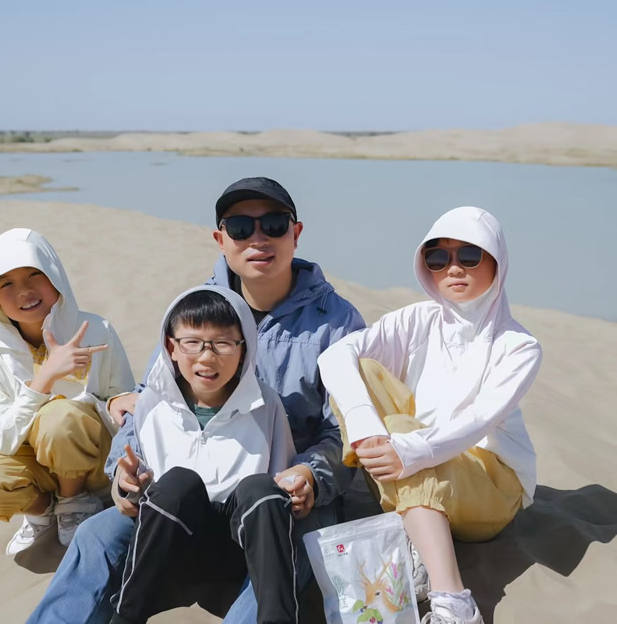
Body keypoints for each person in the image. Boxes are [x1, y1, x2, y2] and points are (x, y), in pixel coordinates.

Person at [29, 178, 365, 623]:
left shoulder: (337, 322)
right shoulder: (194, 310)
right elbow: (152, 399)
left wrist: (311, 475)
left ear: (296, 233)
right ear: (220, 239)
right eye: (241, 227)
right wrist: (123, 477)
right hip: (180, 490)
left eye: (273, 224)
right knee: (96, 537)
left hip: (281, 496)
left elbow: (350, 428)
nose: (258, 238)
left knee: (282, 552)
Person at [318, 207, 542, 624]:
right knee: (361, 371)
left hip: (492, 488)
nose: (453, 268)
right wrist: (367, 424)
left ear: (497, 261)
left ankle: (455, 605)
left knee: (405, 439)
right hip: (415, 467)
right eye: (438, 258)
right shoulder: (418, 319)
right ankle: (418, 535)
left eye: (469, 255)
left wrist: (409, 449)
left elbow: (479, 419)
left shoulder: (518, 346)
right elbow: (335, 356)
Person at [113, 286, 297, 624]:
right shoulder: (151, 404)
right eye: (192, 343)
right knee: (178, 483)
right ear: (171, 347)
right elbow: (147, 495)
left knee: (261, 489)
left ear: (243, 350)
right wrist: (130, 485)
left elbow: (278, 482)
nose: (207, 357)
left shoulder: (266, 404)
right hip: (173, 549)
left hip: (238, 552)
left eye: (223, 344)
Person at [0, 228, 135, 554]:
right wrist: (44, 379)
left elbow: (124, 402)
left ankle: (75, 500)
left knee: (59, 416)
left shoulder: (96, 329)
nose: (25, 291)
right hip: (40, 469)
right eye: (7, 284)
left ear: (55, 276)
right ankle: (45, 511)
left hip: (96, 466)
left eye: (35, 274)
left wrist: (114, 401)